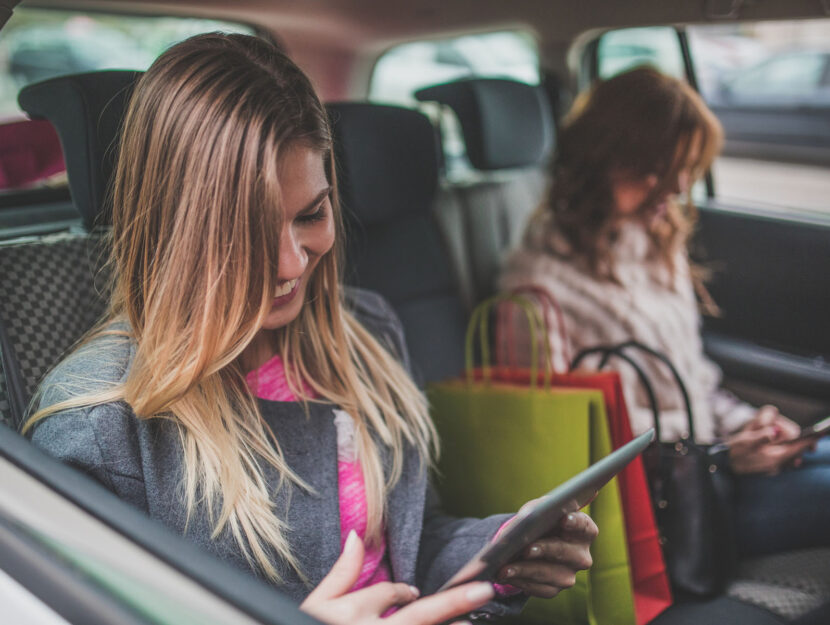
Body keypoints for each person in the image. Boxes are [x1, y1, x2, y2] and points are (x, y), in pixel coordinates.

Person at [23, 33, 597, 625]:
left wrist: (498, 550)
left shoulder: (365, 335)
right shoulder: (99, 424)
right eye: (248, 230)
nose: (294, 263)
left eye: (311, 215)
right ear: (178, 230)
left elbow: (405, 547)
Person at [498, 66, 830, 558]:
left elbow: (693, 382)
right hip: (665, 513)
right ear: (603, 161)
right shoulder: (535, 291)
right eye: (657, 168)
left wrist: (745, 426)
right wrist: (719, 460)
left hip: (711, 470)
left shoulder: (656, 246)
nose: (676, 187)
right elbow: (566, 453)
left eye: (687, 168)